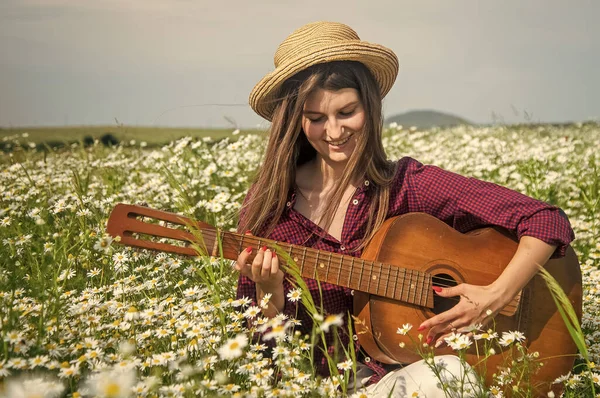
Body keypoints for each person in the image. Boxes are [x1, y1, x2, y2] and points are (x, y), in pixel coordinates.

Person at [234, 21, 574, 396]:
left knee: (440, 378)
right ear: (295, 122)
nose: (333, 132)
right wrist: (271, 295)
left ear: (371, 106)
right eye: (315, 119)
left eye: (347, 112)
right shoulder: (268, 210)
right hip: (324, 386)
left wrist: (494, 295)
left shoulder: (405, 185)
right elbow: (264, 358)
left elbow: (545, 220)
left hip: (403, 381)